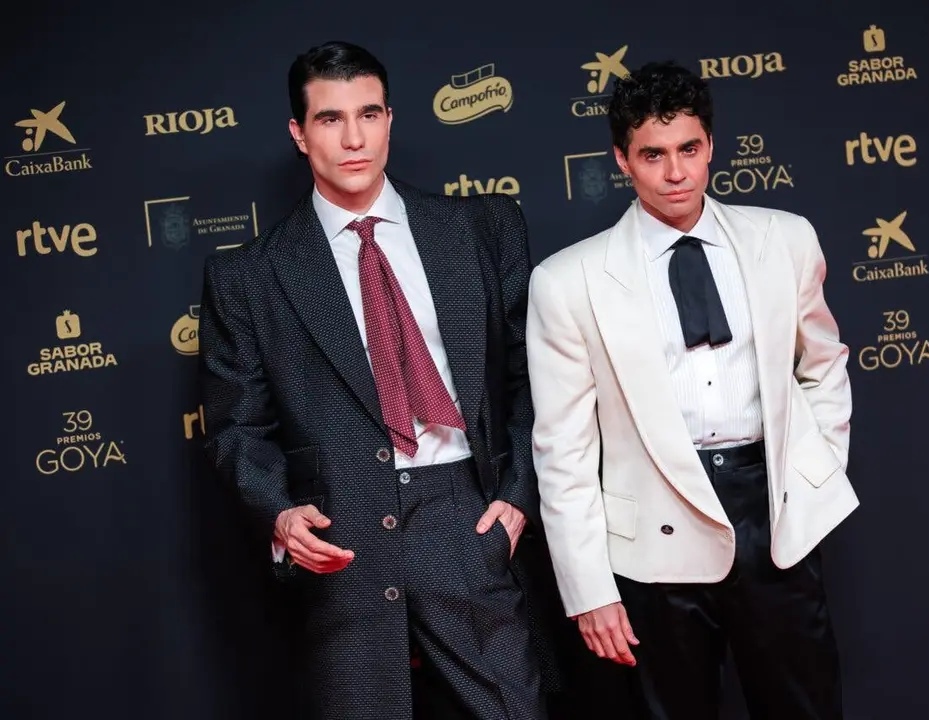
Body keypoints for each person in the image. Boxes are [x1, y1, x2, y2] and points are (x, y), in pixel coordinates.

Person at [199, 40, 556, 720]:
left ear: (391, 119)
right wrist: (277, 508)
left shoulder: (481, 228)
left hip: (463, 512)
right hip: (341, 533)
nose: (355, 138)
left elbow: (533, 377)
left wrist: (515, 500)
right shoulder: (248, 275)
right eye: (331, 119)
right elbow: (235, 423)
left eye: (369, 113)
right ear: (299, 134)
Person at [525, 60, 858, 720]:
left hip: (772, 515)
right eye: (653, 154)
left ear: (710, 145)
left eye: (689, 149)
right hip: (652, 531)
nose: (675, 172)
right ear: (622, 159)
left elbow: (823, 363)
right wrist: (588, 587)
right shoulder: (568, 282)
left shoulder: (784, 240)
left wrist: (814, 472)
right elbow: (561, 451)